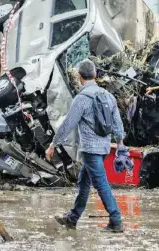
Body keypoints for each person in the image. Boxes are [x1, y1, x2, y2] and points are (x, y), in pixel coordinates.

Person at [45, 59, 125, 233]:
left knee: (101, 184)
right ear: (95, 75)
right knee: (84, 182)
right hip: (104, 148)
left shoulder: (81, 99)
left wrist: (52, 145)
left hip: (90, 150)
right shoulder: (108, 96)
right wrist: (120, 145)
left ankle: (116, 220)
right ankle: (72, 218)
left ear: (80, 77)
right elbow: (118, 124)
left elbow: (67, 125)